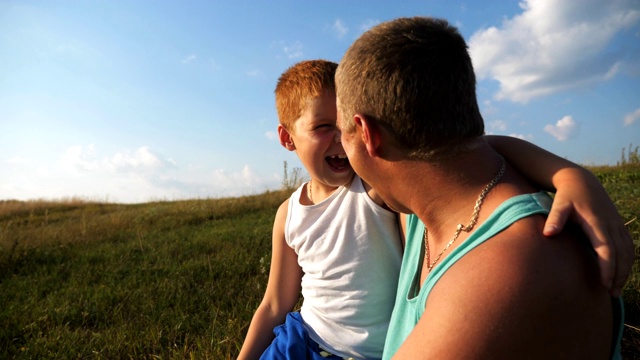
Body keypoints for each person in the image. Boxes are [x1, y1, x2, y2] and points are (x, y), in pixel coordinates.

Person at [239, 58, 632, 359]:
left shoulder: (375, 183)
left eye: (347, 125)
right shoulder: (288, 214)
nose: (341, 139)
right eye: (323, 127)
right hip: (302, 338)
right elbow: (275, 302)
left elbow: (469, 150)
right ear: (287, 138)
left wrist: (570, 176)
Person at [334, 17, 629, 359]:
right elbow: (474, 146)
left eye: (342, 132)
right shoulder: (423, 205)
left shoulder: (505, 270)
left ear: (367, 133)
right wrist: (569, 173)